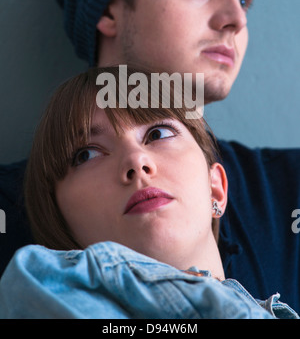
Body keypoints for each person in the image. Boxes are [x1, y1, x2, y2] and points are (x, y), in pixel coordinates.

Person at [1, 0, 300, 312]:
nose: (235, 19)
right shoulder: (15, 217)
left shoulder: (291, 187)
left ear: (218, 185)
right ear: (110, 7)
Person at [0, 66, 298, 319]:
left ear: (216, 189)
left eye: (158, 134)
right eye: (87, 155)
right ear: (58, 215)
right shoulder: (37, 278)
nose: (135, 160)